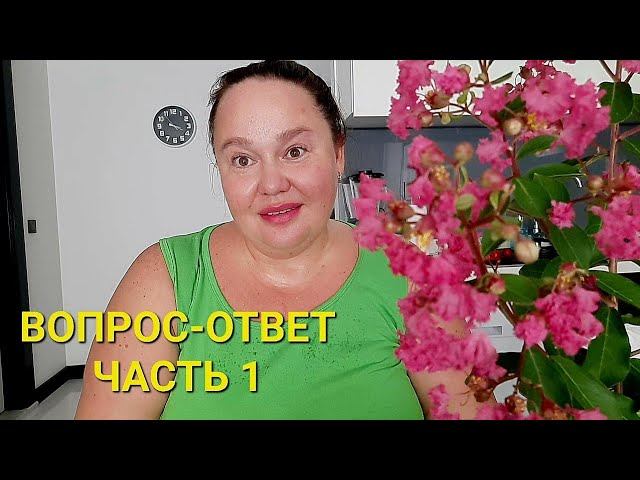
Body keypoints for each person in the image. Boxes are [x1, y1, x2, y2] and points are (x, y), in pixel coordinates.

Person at [75, 60, 492, 419]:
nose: (272, 184)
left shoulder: (409, 276)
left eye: (294, 151)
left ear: (338, 153)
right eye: (242, 159)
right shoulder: (165, 278)